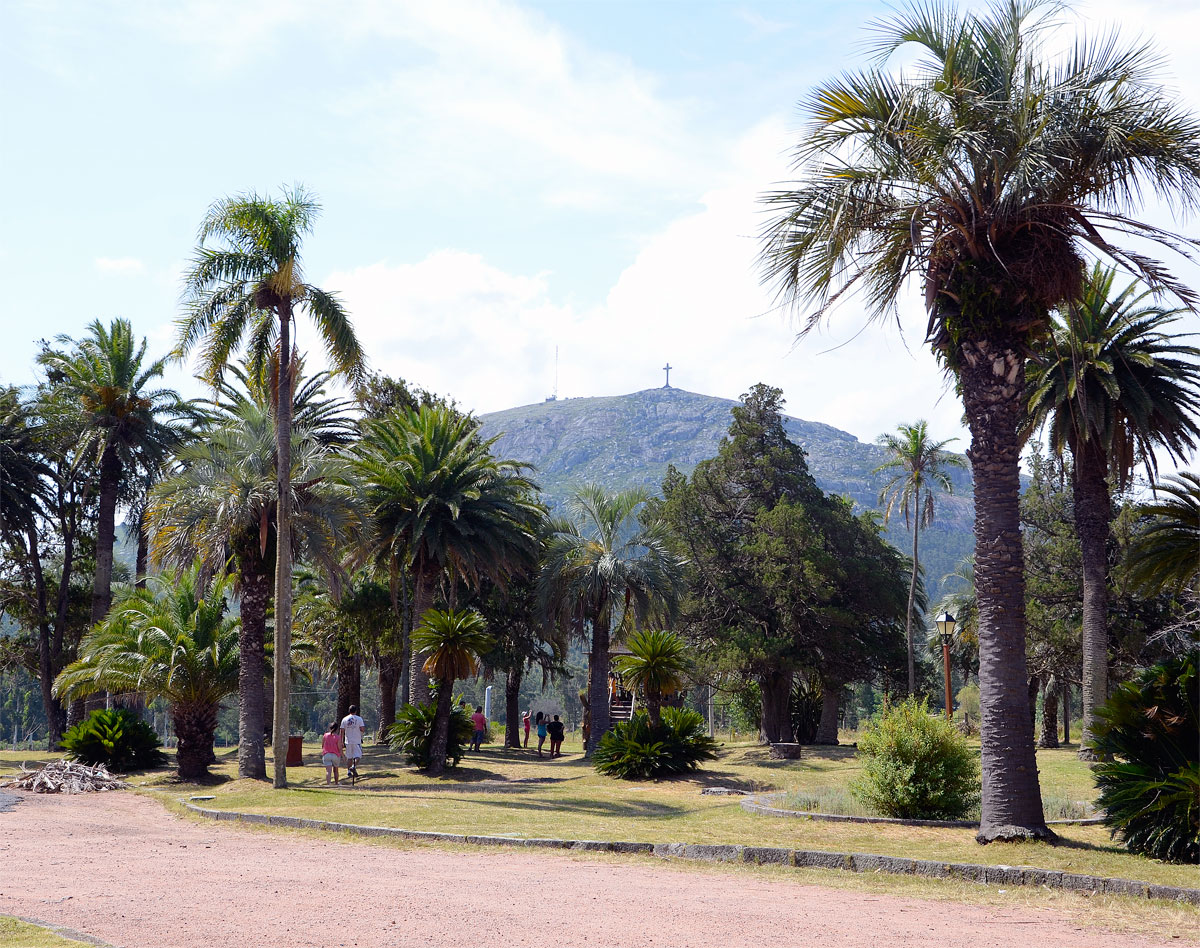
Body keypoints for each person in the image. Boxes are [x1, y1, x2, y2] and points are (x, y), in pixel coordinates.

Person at [339, 704, 365, 784]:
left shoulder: (344, 719)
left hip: (348, 741)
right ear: (356, 711)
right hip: (356, 741)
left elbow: (342, 731)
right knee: (358, 756)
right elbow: (362, 729)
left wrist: (341, 741)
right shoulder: (359, 719)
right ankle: (353, 767)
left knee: (349, 757)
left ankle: (349, 771)